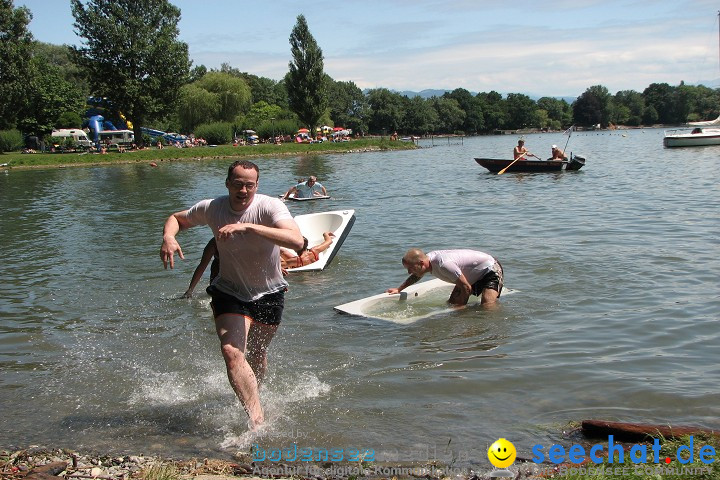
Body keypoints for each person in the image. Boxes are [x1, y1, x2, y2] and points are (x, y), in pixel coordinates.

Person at [160, 160, 304, 429]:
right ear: (227, 184)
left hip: (269, 291)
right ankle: (256, 419)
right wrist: (169, 236)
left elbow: (297, 241)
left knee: (257, 353)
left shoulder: (270, 206)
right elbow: (176, 218)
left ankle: (253, 395)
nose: (243, 190)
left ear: (257, 186)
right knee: (231, 352)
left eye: (249, 185)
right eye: (237, 184)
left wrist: (247, 227)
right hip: (229, 290)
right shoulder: (213, 208)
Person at [386, 248, 504, 307]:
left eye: (410, 268)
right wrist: (399, 289)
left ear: (421, 263)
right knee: (451, 304)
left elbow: (466, 288)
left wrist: (461, 310)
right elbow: (416, 276)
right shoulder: (427, 263)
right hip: (470, 275)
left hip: (490, 269)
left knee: (487, 305)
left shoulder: (443, 264)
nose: (409, 272)